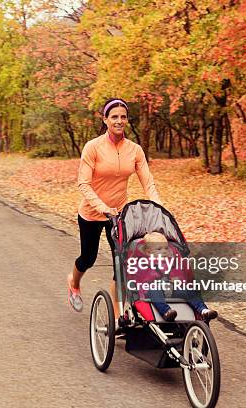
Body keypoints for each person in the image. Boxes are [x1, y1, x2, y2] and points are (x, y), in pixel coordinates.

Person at [67, 98, 161, 316]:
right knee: (88, 258)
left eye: (123, 117)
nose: (119, 121)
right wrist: (102, 206)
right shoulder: (93, 147)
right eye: (114, 117)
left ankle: (118, 317)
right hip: (92, 213)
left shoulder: (134, 150)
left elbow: (148, 181)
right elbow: (83, 183)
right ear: (105, 119)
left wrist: (158, 206)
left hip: (118, 214)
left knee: (122, 263)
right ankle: (74, 283)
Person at [128, 232, 218, 321]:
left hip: (172, 289)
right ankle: (166, 312)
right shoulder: (142, 263)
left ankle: (203, 310)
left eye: (166, 248)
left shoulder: (172, 260)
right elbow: (141, 279)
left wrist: (177, 280)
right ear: (148, 252)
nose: (164, 251)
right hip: (152, 291)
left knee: (190, 291)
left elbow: (179, 273)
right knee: (154, 291)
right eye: (159, 249)